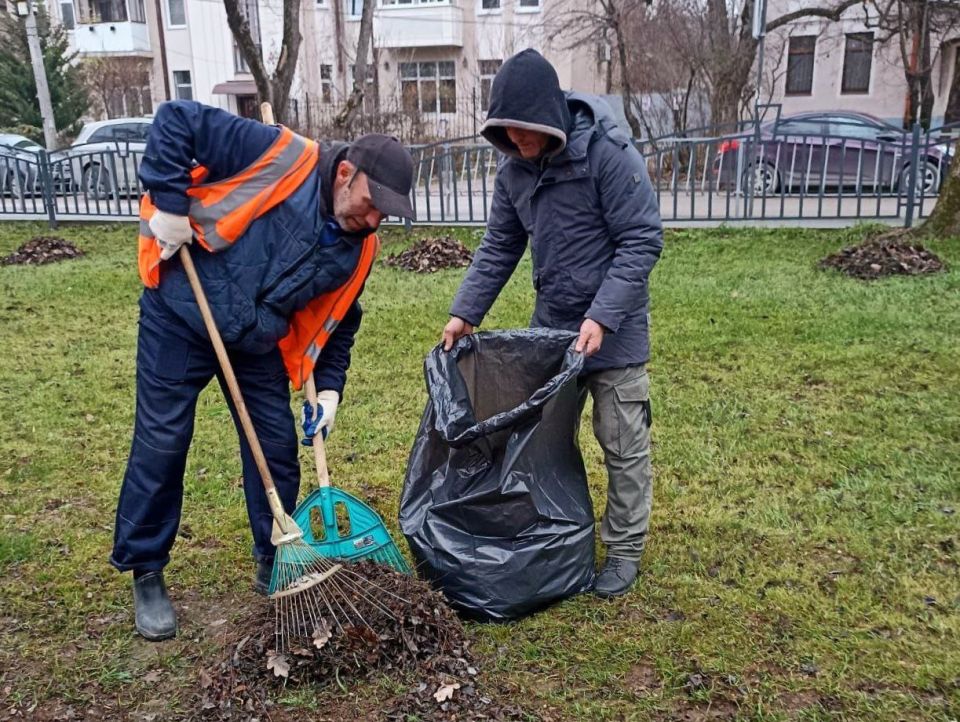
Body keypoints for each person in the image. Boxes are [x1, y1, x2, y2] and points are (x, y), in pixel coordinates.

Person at [111, 99, 415, 640]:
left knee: (275, 447)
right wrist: (173, 208)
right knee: (163, 440)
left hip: (255, 339)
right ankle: (147, 569)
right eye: (371, 204)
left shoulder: (359, 248)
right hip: (182, 308)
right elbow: (173, 121)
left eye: (384, 214)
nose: (373, 220)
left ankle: (273, 557)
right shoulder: (277, 154)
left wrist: (332, 393)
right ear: (346, 174)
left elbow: (340, 322)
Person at [441, 49, 663, 598]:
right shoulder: (513, 171)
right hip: (553, 334)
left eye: (523, 128)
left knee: (621, 440)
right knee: (544, 443)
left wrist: (603, 317)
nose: (515, 139)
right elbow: (499, 245)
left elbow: (641, 240)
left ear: (549, 117)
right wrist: (465, 310)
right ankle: (560, 534)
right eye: (505, 130)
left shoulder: (609, 155)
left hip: (614, 333)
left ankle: (625, 549)